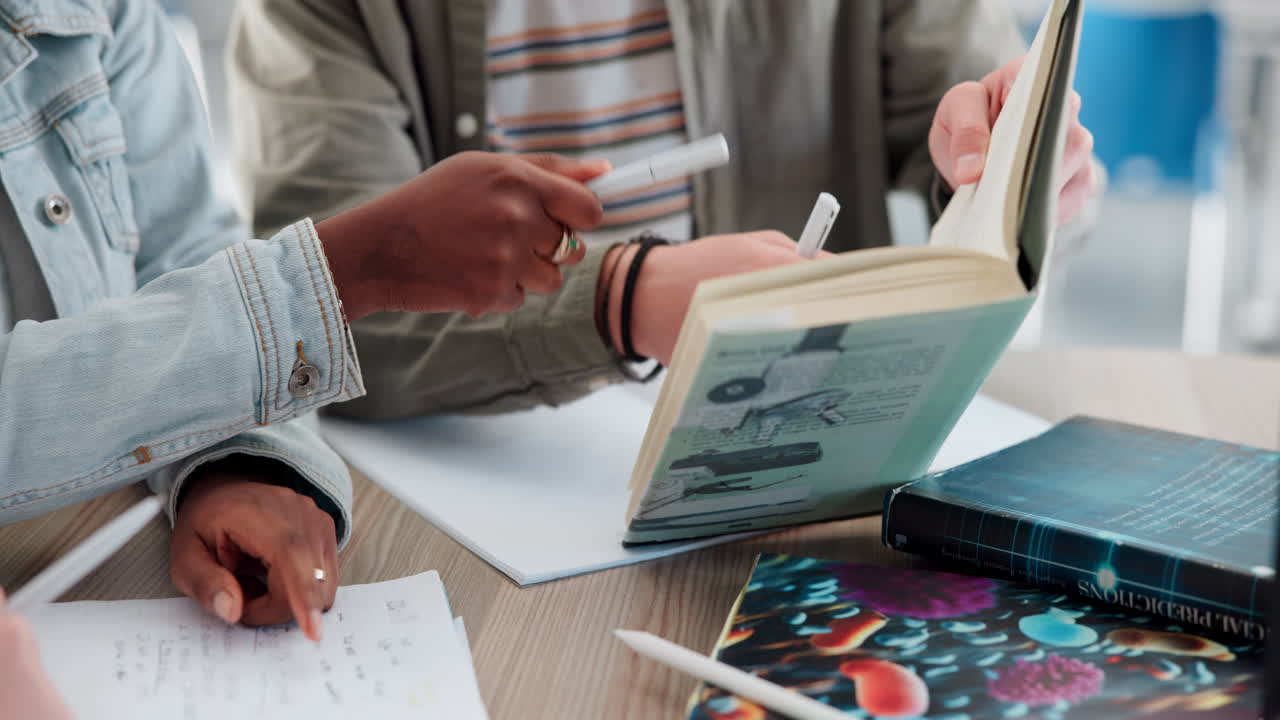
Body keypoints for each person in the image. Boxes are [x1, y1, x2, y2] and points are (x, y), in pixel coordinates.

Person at [0, 0, 607, 652]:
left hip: (114, 562)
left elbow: (184, 254)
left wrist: (238, 463)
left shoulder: (102, 11)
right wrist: (352, 270)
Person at [229, 0, 1099, 420]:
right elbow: (310, 313)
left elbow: (989, 142)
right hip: (477, 478)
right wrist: (621, 299)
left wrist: (1014, 175)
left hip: (805, 455)